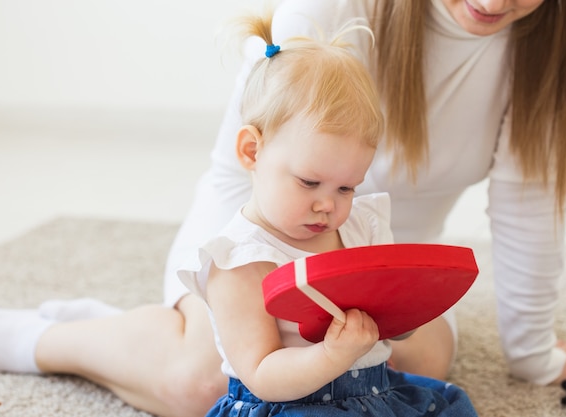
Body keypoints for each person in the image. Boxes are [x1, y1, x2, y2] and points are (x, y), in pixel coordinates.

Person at [0, 1, 566, 417]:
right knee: (206, 381)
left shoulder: (556, 42)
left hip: (365, 257)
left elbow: (527, 209)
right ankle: (46, 337)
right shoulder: (334, 12)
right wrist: (245, 278)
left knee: (413, 364)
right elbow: (246, 169)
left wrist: (535, 355)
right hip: (257, 236)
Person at [174, 12, 477, 416]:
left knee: (449, 404)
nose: (328, 205)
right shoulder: (239, 261)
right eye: (308, 182)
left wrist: (404, 314)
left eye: (347, 187)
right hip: (290, 406)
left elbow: (391, 319)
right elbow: (261, 373)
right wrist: (332, 356)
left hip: (372, 394)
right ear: (252, 151)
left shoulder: (361, 225)